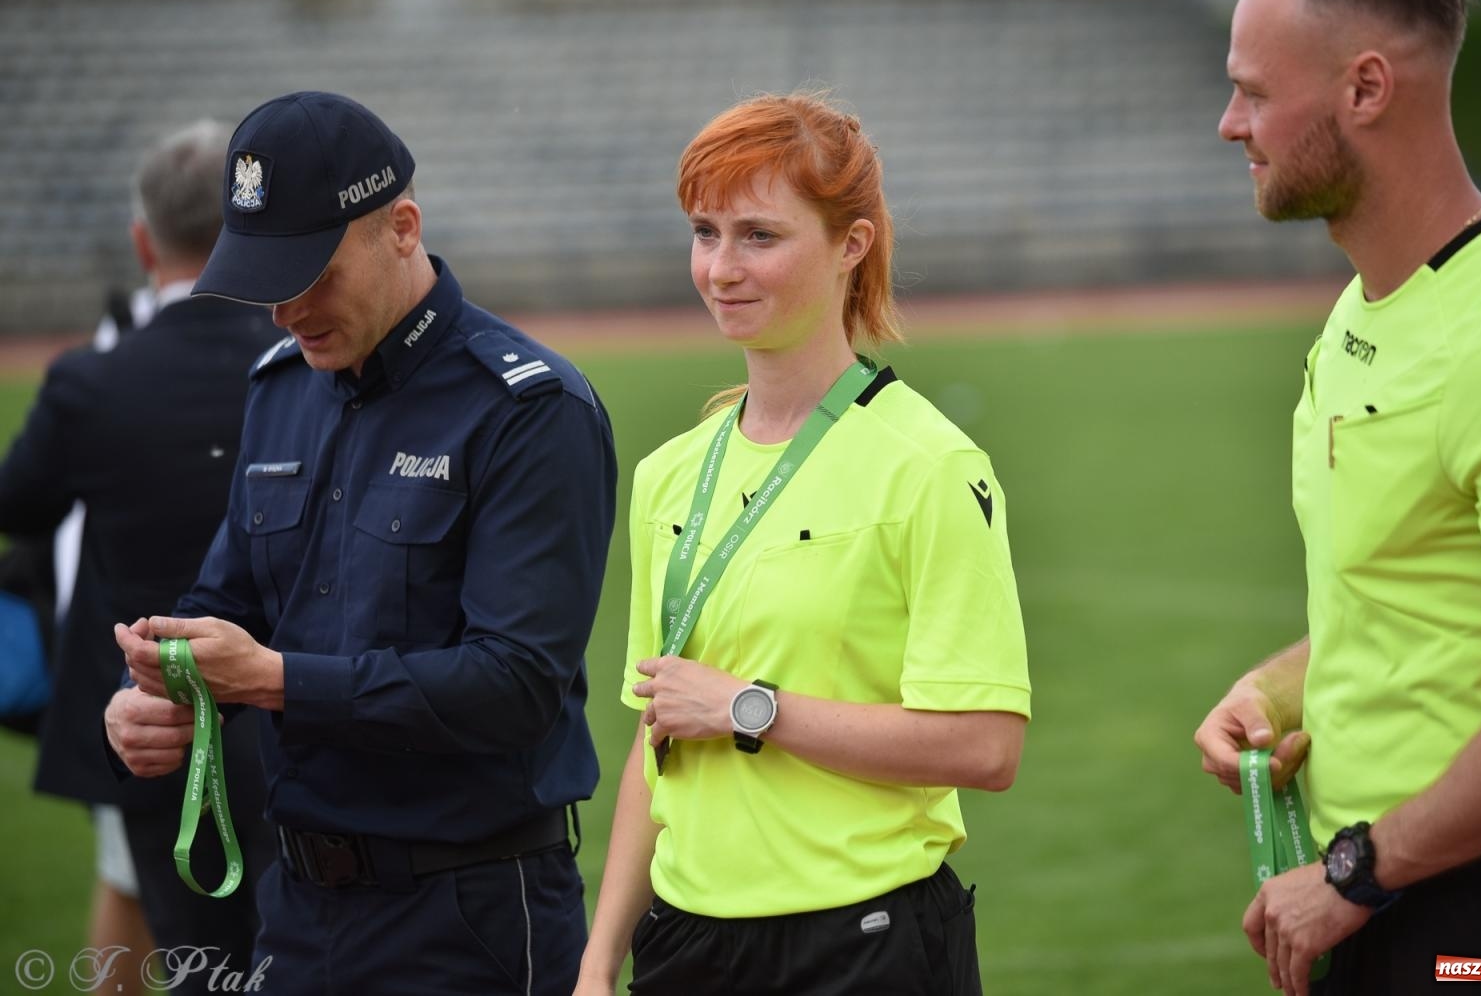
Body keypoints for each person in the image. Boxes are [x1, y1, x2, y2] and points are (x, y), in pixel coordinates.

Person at [104, 90, 618, 995]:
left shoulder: (528, 409)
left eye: (310, 271)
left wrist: (271, 679)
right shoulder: (279, 388)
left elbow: (517, 685)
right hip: (295, 911)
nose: (284, 311)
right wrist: (163, 690)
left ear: (403, 228)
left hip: (471, 918)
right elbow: (228, 600)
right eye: (264, 277)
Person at [1193, 0, 1481, 994]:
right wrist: (1284, 691)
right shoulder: (1357, 315)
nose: (1229, 124)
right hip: (1386, 890)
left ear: (1366, 87)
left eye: (1251, 93)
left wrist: (1352, 874)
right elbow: (1409, 600)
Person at [574, 92, 1032, 996]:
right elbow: (658, 732)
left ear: (850, 246)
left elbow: (986, 746)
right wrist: (596, 965)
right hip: (684, 947)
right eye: (705, 233)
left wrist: (752, 709)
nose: (720, 269)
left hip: (865, 946)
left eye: (759, 236)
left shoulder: (931, 465)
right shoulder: (670, 474)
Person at [0, 118, 280, 994]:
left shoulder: (91, 381)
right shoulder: (304, 364)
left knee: (191, 949)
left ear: (140, 240)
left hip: (146, 715)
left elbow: (18, 504)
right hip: (293, 708)